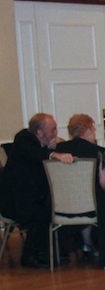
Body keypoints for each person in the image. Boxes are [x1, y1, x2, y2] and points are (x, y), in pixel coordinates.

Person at [55, 114, 105, 268]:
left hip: (63, 204)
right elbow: (104, 184)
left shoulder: (59, 150)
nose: (95, 133)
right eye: (93, 130)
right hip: (91, 203)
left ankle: (85, 244)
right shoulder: (97, 151)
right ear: (88, 131)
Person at [0, 113, 73, 268]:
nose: (55, 133)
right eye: (52, 130)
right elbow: (37, 155)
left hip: (28, 197)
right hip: (14, 202)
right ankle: (30, 256)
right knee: (44, 212)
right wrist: (56, 154)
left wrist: (58, 145)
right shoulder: (24, 139)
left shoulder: (39, 142)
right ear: (39, 132)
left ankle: (51, 251)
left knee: (51, 206)